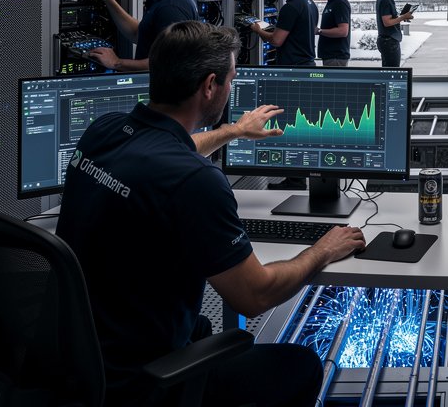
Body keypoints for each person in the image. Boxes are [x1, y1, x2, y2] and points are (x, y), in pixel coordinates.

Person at [57, 21, 366, 406]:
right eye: (231, 79)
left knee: (205, 326)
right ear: (209, 86)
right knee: (301, 366)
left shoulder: (104, 130)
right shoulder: (196, 181)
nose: (231, 88)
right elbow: (254, 296)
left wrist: (234, 131)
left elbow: (175, 147)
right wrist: (321, 250)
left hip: (73, 353)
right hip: (137, 380)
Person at [251, 0, 318, 66]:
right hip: (308, 66)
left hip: (294, 69)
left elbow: (276, 40)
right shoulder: (311, 4)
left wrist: (258, 30)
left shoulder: (290, 7)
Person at [316, 0, 351, 67]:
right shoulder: (333, 1)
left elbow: (343, 31)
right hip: (331, 57)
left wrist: (319, 31)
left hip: (336, 58)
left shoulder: (340, 3)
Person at [376, 0, 413, 68]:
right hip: (389, 42)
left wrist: (401, 17)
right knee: (393, 71)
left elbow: (389, 20)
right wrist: (403, 16)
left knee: (388, 71)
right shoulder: (385, 0)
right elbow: (387, 22)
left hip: (387, 41)